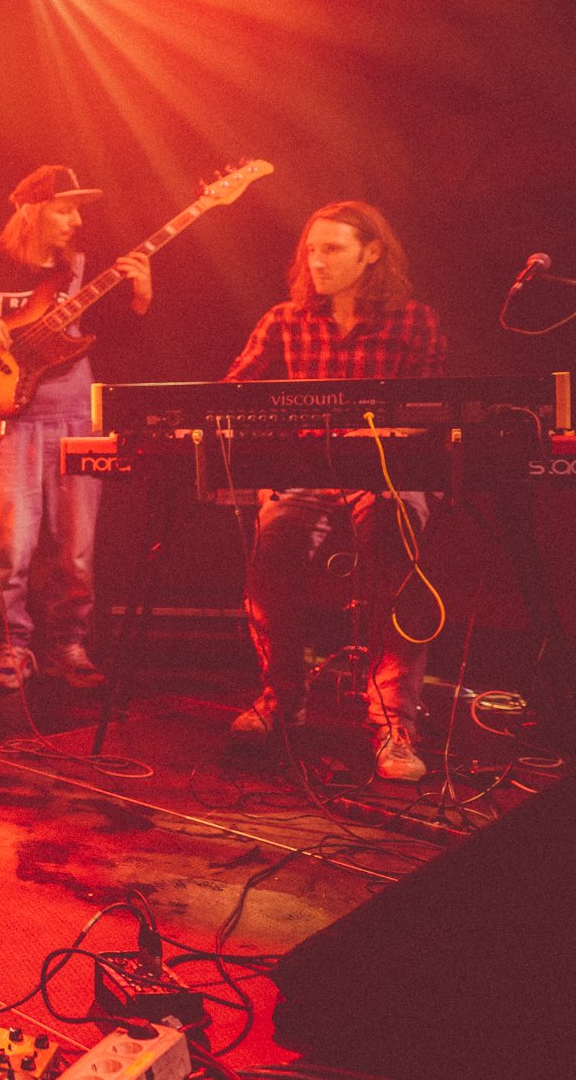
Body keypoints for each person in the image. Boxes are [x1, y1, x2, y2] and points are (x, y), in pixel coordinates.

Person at [225, 201, 446, 782]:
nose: (316, 262)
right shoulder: (283, 320)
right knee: (274, 545)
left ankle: (394, 722)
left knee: (396, 543)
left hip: (388, 471)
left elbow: (432, 404)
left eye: (332, 249)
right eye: (311, 250)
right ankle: (281, 697)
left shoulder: (414, 320)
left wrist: (388, 436)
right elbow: (230, 396)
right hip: (308, 471)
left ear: (371, 253)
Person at [0, 165, 152, 691]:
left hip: (76, 418)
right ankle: (10, 646)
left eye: (78, 211)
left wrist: (140, 299)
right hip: (8, 423)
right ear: (32, 212)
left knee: (76, 550)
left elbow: (116, 341)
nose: (76, 221)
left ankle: (68, 645)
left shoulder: (82, 271)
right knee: (11, 549)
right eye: (64, 209)